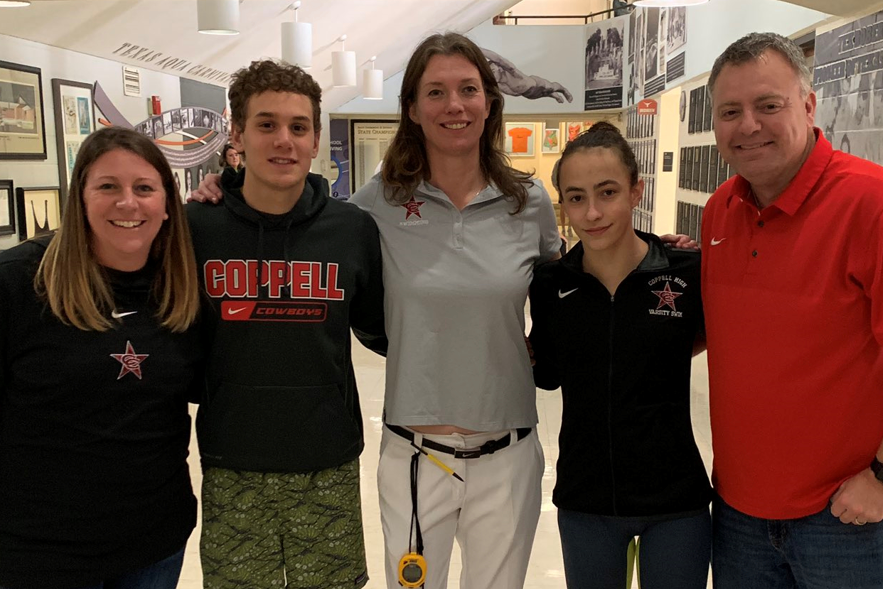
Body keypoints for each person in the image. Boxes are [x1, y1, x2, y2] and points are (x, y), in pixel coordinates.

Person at [350, 33, 562, 589]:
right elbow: (308, 237)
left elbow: (574, 285)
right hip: (415, 455)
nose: (455, 105)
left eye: (469, 89)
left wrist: (657, 252)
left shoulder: (528, 200)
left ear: (490, 102)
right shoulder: (379, 203)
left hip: (508, 452)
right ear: (413, 109)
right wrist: (223, 190)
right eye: (436, 92)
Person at [185, 58, 386, 589]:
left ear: (316, 139)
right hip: (233, 459)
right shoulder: (194, 227)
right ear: (237, 134)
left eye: (298, 127)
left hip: (328, 458)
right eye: (266, 124)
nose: (284, 140)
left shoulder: (351, 230)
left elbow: (381, 329)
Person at [702, 32, 883, 588]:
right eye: (730, 111)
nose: (748, 125)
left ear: (808, 104)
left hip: (845, 520)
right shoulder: (718, 211)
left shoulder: (869, 202)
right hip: (736, 517)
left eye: (768, 105)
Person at [0, 126, 202, 588]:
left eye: (145, 188)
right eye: (108, 186)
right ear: (80, 198)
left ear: (168, 204)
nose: (128, 203)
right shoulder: (19, 284)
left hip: (152, 543)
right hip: (39, 551)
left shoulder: (181, 287)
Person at [529, 122, 710, 589]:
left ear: (636, 191)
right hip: (586, 500)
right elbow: (547, 373)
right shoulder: (551, 285)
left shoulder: (687, 273)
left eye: (607, 192)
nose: (592, 212)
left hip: (675, 502)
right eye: (575, 197)